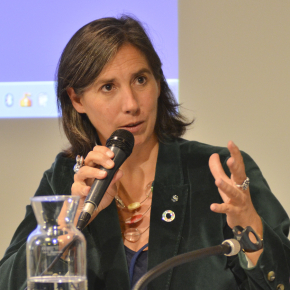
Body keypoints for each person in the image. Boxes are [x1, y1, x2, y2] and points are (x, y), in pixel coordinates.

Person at [0, 15, 290, 290]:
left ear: (158, 82)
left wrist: (253, 229)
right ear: (77, 99)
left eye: (140, 80)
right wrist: (67, 224)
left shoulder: (218, 173)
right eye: (108, 87)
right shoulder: (65, 179)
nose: (131, 104)